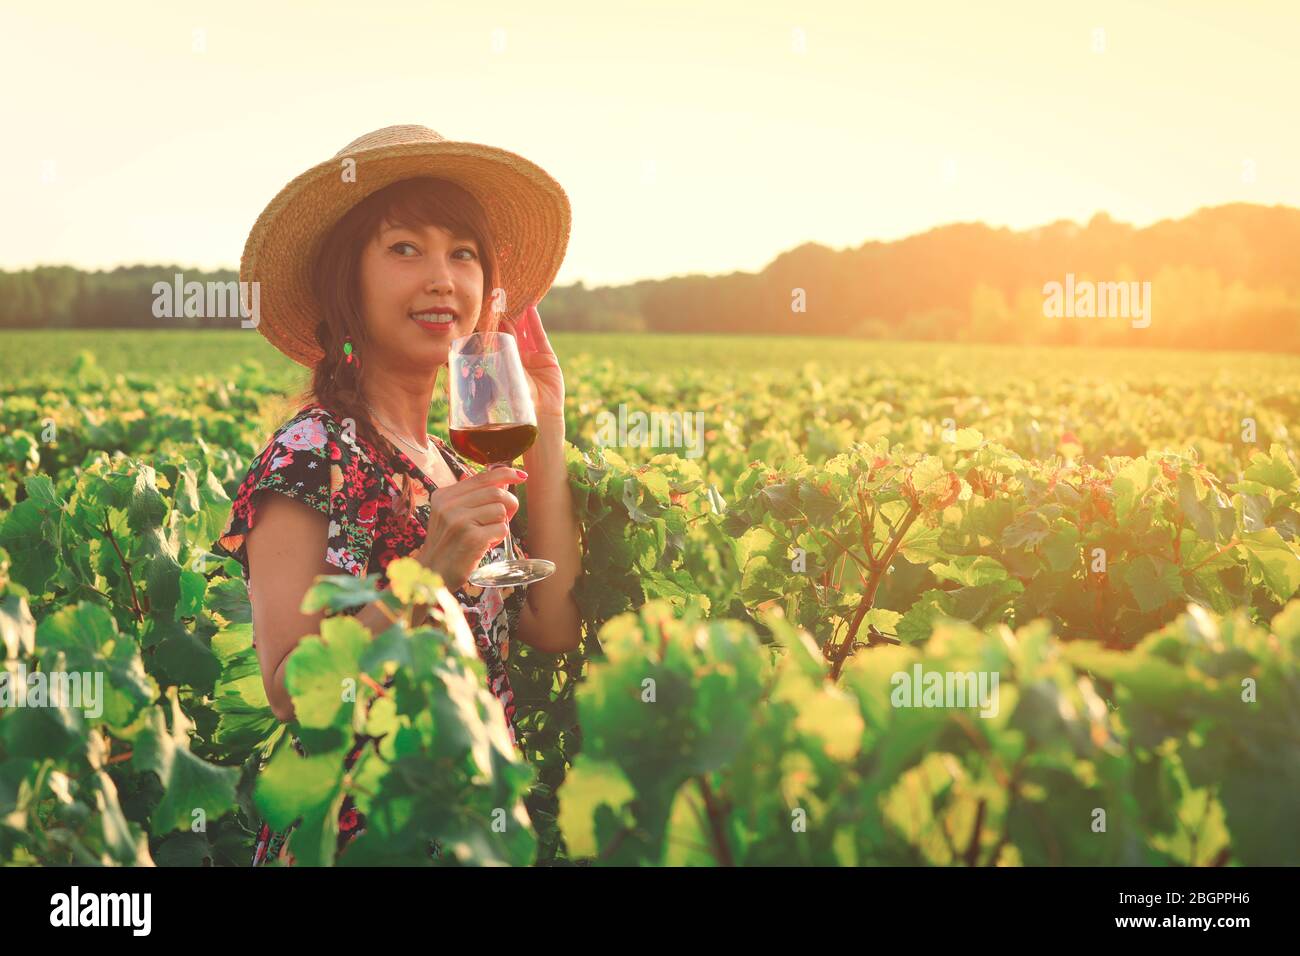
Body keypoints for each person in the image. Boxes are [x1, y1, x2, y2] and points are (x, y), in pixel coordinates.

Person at [211, 124, 583, 865]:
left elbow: (550, 624)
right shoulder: (309, 457)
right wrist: (429, 578)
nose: (442, 277)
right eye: (405, 248)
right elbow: (294, 692)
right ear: (346, 282)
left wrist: (548, 419)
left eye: (463, 253)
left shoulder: (450, 457)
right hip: (361, 842)